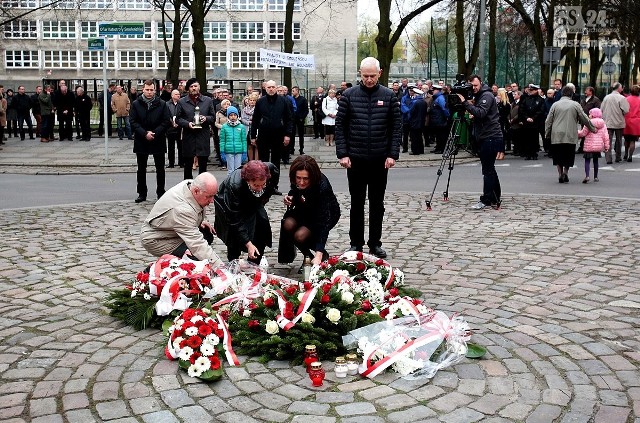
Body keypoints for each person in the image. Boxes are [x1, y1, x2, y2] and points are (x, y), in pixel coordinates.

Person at [335, 57, 401, 258]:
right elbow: (340, 126)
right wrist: (343, 153)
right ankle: (356, 243)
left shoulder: (389, 96)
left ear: (379, 73)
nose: (369, 79)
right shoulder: (349, 95)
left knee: (376, 204)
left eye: (372, 76)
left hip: (380, 159)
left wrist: (392, 154)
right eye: (365, 76)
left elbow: (396, 127)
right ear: (360, 74)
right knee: (356, 203)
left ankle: (375, 243)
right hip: (355, 158)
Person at [140, 172, 224, 267]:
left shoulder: (191, 185)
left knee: (206, 233)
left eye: (214, 195)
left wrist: (197, 222)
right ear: (196, 191)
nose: (212, 201)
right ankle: (159, 269)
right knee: (193, 255)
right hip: (156, 239)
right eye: (209, 196)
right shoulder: (182, 209)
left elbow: (185, 216)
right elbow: (197, 245)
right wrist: (221, 267)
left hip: (168, 229)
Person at [280, 155, 340, 270]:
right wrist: (291, 197)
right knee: (288, 224)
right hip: (304, 209)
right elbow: (295, 190)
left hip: (324, 214)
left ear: (312, 177)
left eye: (306, 179)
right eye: (298, 178)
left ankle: (320, 255)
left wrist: (319, 253)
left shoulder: (322, 186)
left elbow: (324, 222)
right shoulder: (296, 179)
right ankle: (308, 256)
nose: (301, 182)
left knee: (300, 236)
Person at [214, 160, 279, 262]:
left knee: (261, 228)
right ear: (248, 180)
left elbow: (274, 179)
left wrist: (266, 195)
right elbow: (235, 219)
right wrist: (248, 243)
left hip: (253, 202)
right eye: (256, 185)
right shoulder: (234, 186)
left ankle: (254, 263)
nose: (260, 188)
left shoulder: (270, 169)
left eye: (263, 184)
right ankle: (233, 261)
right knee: (234, 236)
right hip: (229, 205)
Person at [456, 74, 504, 210]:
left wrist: (465, 103)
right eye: (472, 86)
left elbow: (481, 113)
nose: (474, 88)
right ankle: (495, 197)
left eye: (476, 85)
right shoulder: (480, 95)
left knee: (487, 170)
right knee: (490, 169)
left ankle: (487, 199)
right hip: (487, 135)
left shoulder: (486, 96)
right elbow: (481, 114)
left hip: (490, 136)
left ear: (481, 83)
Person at [129, 80, 172, 203]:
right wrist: (144, 133)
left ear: (155, 90)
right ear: (143, 89)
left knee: (160, 168)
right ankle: (142, 193)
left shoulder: (162, 104)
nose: (149, 92)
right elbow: (132, 121)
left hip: (157, 138)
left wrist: (155, 132)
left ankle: (161, 192)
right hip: (141, 139)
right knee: (141, 168)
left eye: (151, 90)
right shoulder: (136, 104)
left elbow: (166, 121)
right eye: (147, 89)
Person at [545, 85, 595, 184]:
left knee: (558, 155)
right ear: (571, 94)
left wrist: (547, 133)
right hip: (570, 134)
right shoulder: (575, 105)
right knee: (568, 155)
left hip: (557, 134)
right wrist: (592, 128)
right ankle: (565, 172)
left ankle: (560, 174)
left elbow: (548, 120)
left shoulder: (555, 105)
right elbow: (584, 118)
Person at [250, 80, 292, 194]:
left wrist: (287, 134)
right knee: (263, 162)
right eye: (269, 87)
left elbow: (289, 119)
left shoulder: (284, 101)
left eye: (273, 87)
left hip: (278, 134)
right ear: (265, 88)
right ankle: (263, 186)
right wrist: (253, 135)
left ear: (276, 88)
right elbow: (255, 119)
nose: (271, 89)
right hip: (264, 134)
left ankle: (274, 186)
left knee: (275, 162)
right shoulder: (260, 102)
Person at [176, 78, 216, 180]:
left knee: (203, 167)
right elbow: (178, 119)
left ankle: (203, 190)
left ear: (199, 87)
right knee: (188, 166)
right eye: (191, 86)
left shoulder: (207, 100)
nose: (194, 88)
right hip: (188, 136)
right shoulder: (182, 101)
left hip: (203, 136)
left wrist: (205, 118)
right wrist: (187, 124)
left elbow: (213, 117)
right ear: (188, 89)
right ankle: (187, 188)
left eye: (195, 86)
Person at [578, 108, 609, 183]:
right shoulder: (603, 124)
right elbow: (606, 136)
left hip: (589, 145)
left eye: (590, 114)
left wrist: (577, 132)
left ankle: (587, 176)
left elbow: (583, 133)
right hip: (598, 147)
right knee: (596, 161)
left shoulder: (588, 123)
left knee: (587, 161)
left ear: (592, 115)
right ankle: (596, 176)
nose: (589, 115)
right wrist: (606, 146)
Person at [600, 82, 629, 164]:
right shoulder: (622, 98)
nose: (622, 89)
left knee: (608, 140)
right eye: (621, 87)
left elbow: (601, 109)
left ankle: (608, 158)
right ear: (618, 88)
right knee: (619, 140)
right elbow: (626, 110)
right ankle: (618, 157)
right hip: (619, 122)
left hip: (608, 122)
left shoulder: (606, 97)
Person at [518, 84, 545, 160]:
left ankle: (534, 153)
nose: (530, 92)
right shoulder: (526, 99)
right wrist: (526, 118)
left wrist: (533, 118)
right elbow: (522, 109)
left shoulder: (540, 100)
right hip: (527, 122)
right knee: (527, 138)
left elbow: (541, 111)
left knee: (534, 138)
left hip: (535, 122)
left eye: (532, 90)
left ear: (536, 90)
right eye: (529, 90)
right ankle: (528, 153)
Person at [219, 106, 247, 175]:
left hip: (239, 151)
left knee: (238, 170)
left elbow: (244, 140)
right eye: (231, 115)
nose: (233, 117)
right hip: (228, 151)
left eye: (235, 115)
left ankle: (237, 184)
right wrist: (222, 151)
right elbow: (222, 140)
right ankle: (230, 184)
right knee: (230, 170)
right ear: (228, 116)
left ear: (237, 116)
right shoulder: (224, 127)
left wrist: (244, 151)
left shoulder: (241, 127)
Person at [428, 84, 449, 154]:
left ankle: (441, 149)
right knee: (438, 135)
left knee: (441, 136)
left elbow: (444, 109)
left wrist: (446, 117)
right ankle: (438, 148)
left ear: (437, 90)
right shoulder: (437, 97)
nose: (433, 91)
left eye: (434, 90)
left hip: (440, 120)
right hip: (437, 120)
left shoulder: (440, 98)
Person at [166, 89, 183, 168]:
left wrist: (178, 122)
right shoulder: (167, 104)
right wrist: (172, 123)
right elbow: (166, 115)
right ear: (172, 95)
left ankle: (181, 162)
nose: (178, 95)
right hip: (170, 128)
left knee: (181, 146)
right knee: (171, 147)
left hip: (180, 127)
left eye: (179, 94)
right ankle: (171, 163)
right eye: (176, 94)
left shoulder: (182, 104)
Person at [623, 85, 640, 162]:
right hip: (636, 122)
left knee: (626, 139)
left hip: (626, 120)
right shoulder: (639, 100)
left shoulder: (626, 99)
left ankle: (625, 154)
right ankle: (630, 156)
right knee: (633, 140)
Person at [291, 86, 309, 155]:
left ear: (297, 91)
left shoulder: (303, 99)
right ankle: (291, 149)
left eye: (293, 91)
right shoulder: (291, 99)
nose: (292, 92)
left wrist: (302, 117)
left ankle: (301, 149)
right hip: (293, 119)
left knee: (301, 135)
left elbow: (306, 110)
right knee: (292, 134)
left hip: (300, 119)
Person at [241, 93, 259, 160]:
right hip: (247, 128)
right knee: (249, 146)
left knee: (256, 146)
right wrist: (249, 122)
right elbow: (242, 119)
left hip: (256, 129)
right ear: (248, 101)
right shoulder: (244, 110)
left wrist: (254, 122)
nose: (252, 102)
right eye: (251, 100)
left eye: (254, 100)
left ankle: (257, 161)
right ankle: (250, 161)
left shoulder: (258, 109)